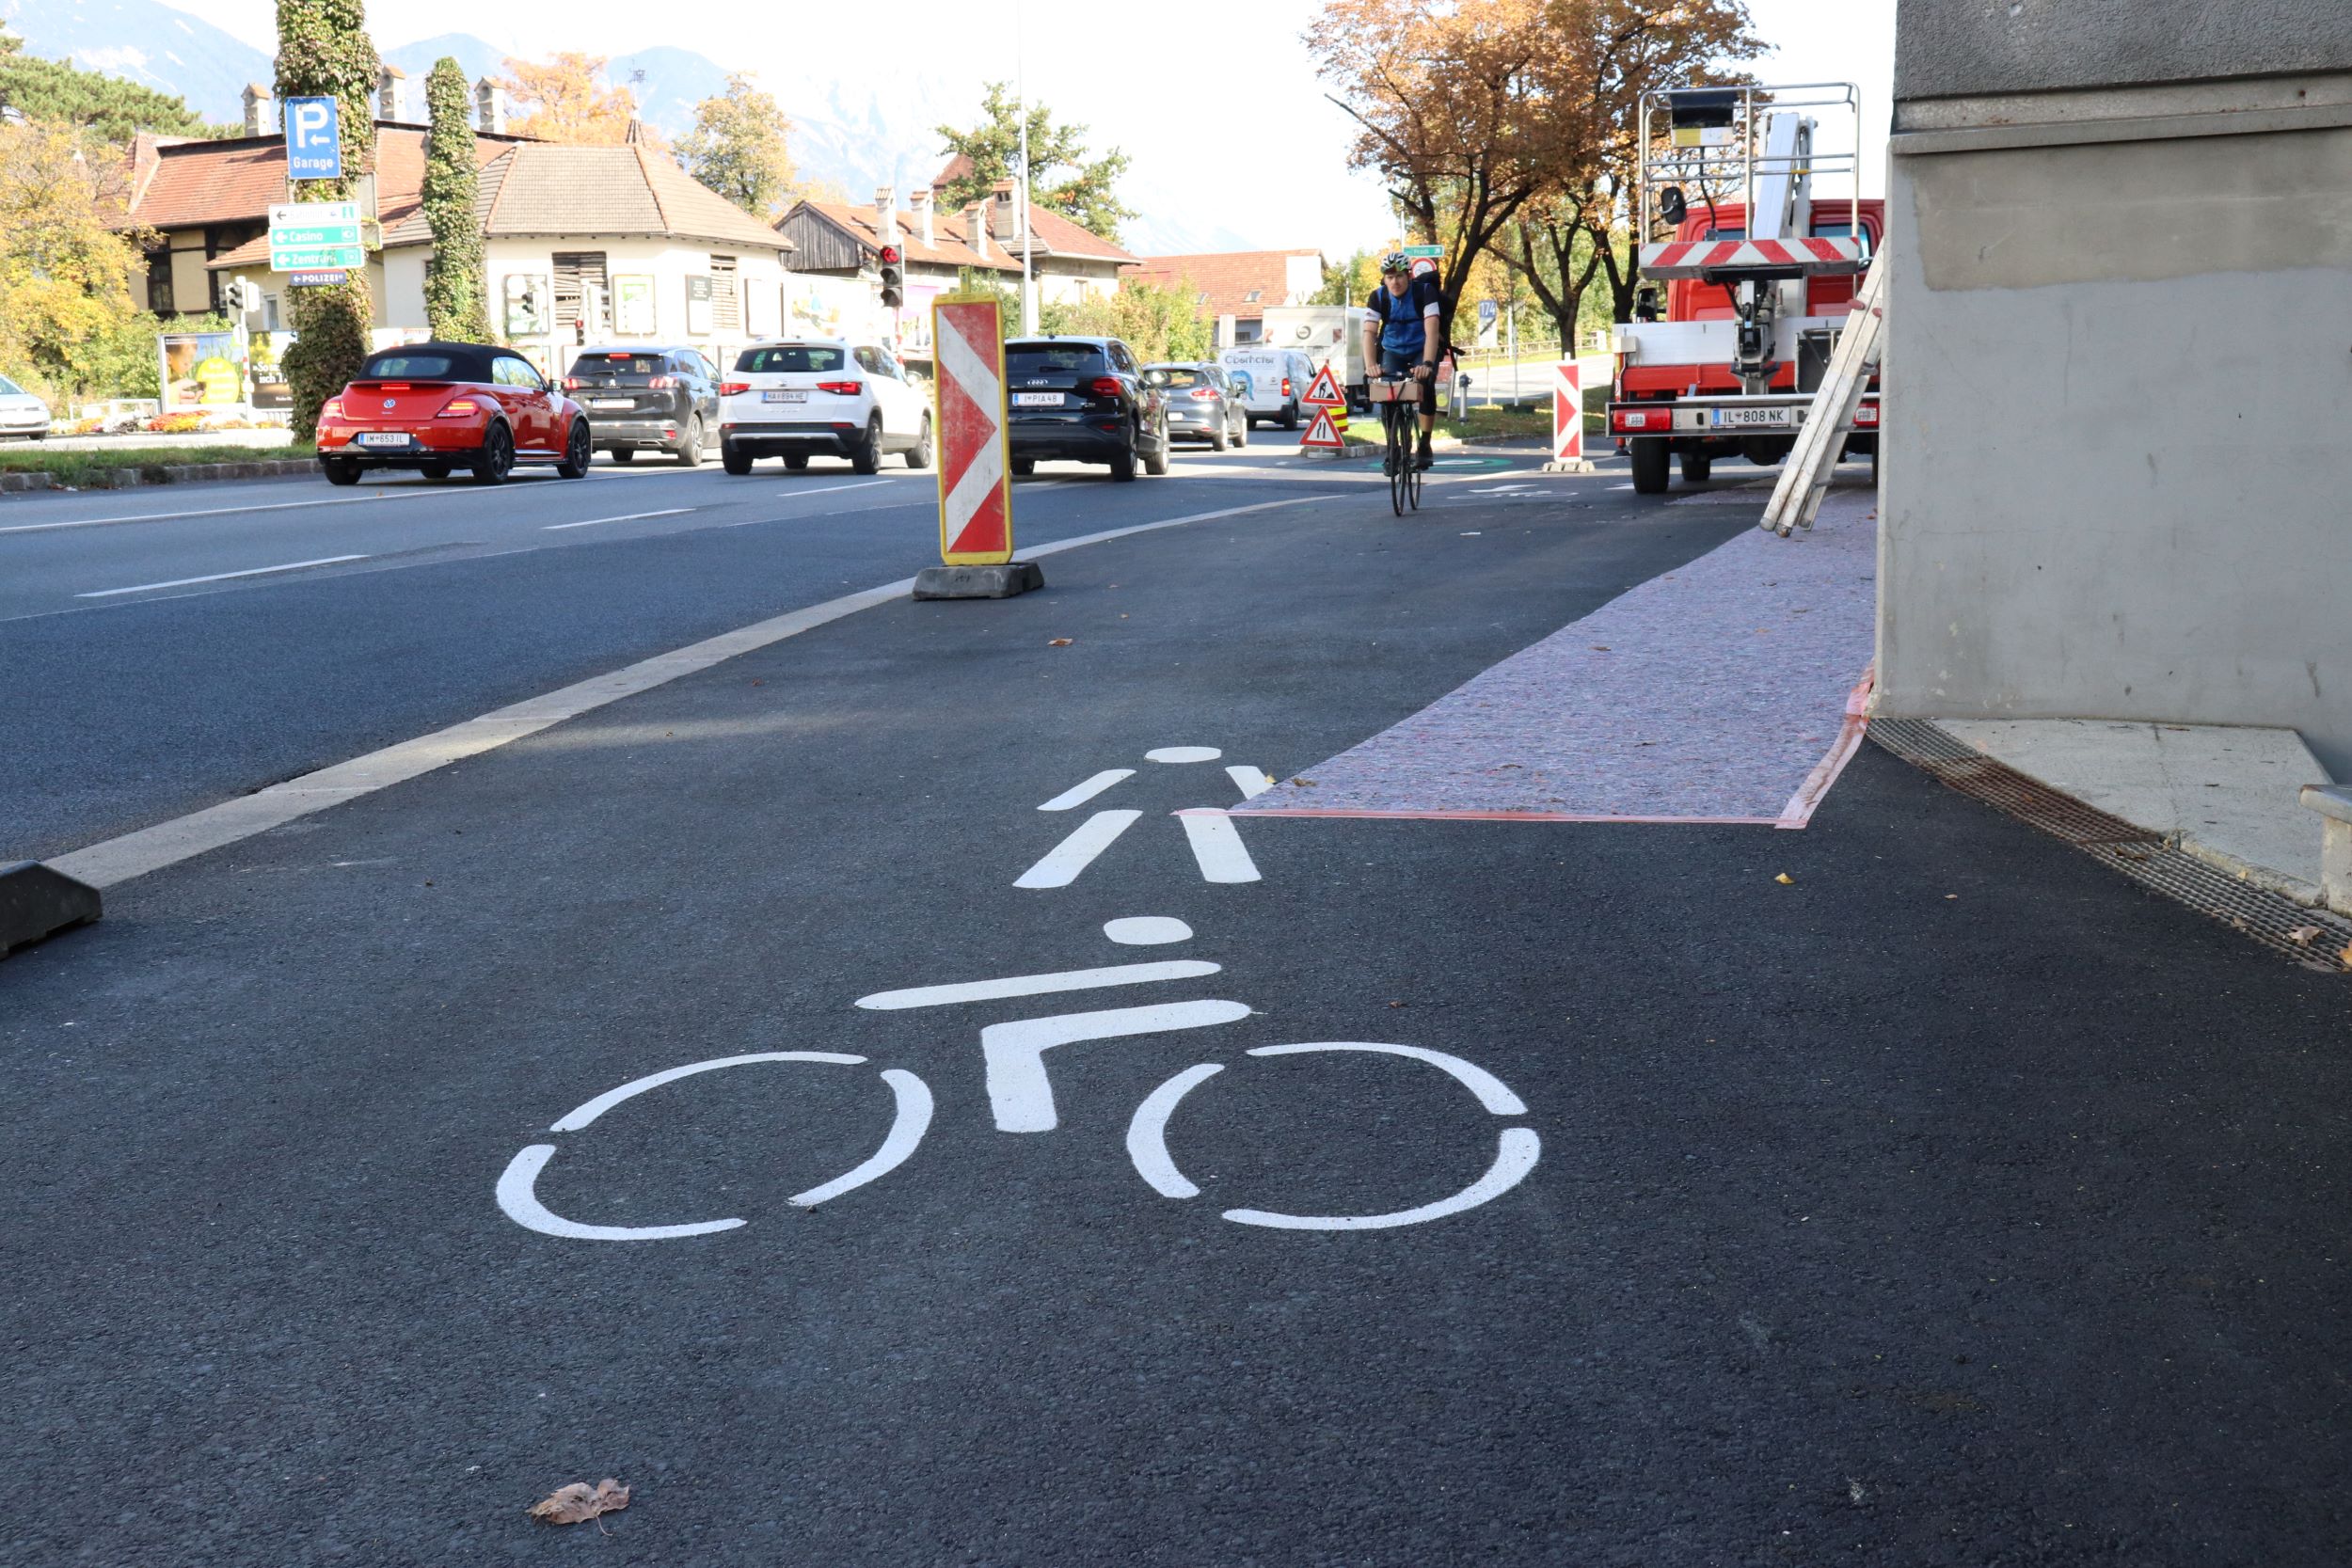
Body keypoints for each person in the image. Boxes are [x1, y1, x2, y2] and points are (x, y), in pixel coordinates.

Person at [1360, 250, 1442, 471]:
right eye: (1389, 277)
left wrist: (1426, 364)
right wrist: (1371, 366)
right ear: (1384, 279)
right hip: (1393, 349)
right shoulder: (1378, 297)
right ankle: (1393, 447)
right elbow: (1369, 333)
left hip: (1420, 347)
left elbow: (1432, 330)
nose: (1394, 282)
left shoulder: (1425, 292)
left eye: (1399, 276)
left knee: (1426, 384)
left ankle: (1424, 443)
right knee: (1387, 391)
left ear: (1408, 276)